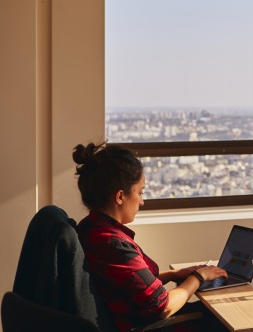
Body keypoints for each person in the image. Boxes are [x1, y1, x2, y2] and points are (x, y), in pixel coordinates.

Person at [72, 141, 228, 332]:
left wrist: (173, 275)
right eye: (140, 192)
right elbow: (162, 307)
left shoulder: (91, 227)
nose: (142, 201)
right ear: (120, 196)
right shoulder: (112, 244)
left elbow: (128, 286)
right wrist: (200, 276)